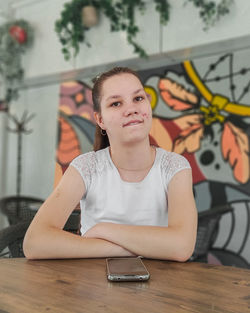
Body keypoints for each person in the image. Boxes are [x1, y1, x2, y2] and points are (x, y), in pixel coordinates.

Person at [23, 67, 197, 261]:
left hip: (162, 287)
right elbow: (34, 242)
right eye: (116, 103)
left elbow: (181, 247)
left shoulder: (175, 167)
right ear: (100, 120)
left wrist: (104, 229)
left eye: (138, 98)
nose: (131, 109)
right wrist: (136, 249)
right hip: (93, 286)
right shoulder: (86, 167)